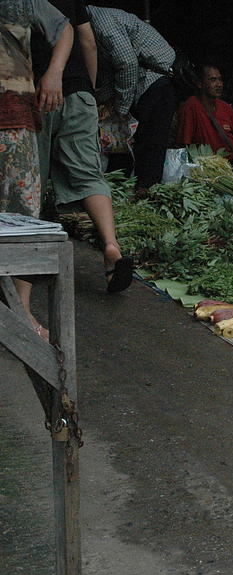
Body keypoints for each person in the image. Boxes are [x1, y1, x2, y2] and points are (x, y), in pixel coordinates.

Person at [32, 0, 133, 294]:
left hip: (33, 94)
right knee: (89, 176)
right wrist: (87, 89)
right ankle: (112, 246)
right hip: (78, 93)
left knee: (31, 180)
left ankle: (26, 266)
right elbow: (88, 41)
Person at [2, 1, 72, 340]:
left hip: (14, 113)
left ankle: (22, 310)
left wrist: (55, 72)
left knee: (21, 214)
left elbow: (65, 29)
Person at [86, 5, 176, 195]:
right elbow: (114, 74)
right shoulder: (93, 29)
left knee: (151, 142)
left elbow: (127, 63)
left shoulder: (101, 21)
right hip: (140, 85)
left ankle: (145, 193)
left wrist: (121, 108)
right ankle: (119, 189)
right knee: (127, 143)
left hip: (153, 80)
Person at [176, 63, 233, 160]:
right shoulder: (190, 106)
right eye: (213, 80)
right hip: (210, 165)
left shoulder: (225, 106)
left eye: (220, 80)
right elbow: (183, 146)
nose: (219, 84)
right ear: (199, 83)